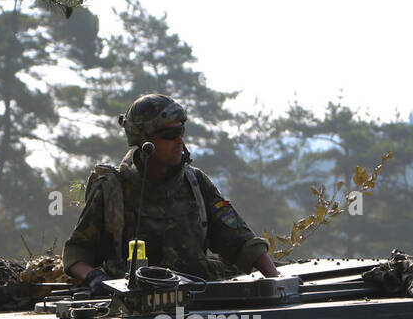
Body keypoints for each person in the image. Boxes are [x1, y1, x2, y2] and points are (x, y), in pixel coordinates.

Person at [63, 93, 280, 288]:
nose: (180, 141)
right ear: (144, 141)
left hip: (200, 304)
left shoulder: (195, 182)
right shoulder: (112, 191)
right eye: (169, 134)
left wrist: (277, 284)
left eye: (181, 131)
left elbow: (241, 241)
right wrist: (94, 278)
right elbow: (77, 253)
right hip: (135, 310)